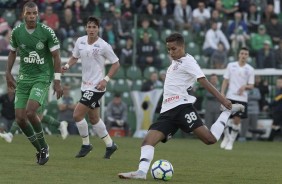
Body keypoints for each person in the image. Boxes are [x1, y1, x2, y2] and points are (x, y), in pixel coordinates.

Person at [117, 33, 244, 180]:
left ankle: (226, 112)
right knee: (147, 141)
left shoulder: (189, 62)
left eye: (174, 49)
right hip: (167, 112)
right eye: (168, 50)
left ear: (182, 47)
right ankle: (141, 172)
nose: (171, 52)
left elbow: (204, 81)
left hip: (182, 107)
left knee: (210, 139)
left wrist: (222, 100)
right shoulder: (175, 62)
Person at [5, 1, 63, 165]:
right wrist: (8, 73)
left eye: (34, 13)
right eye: (28, 13)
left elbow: (56, 56)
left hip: (42, 77)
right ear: (23, 14)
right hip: (24, 79)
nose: (31, 16)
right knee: (20, 118)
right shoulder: (17, 32)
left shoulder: (46, 32)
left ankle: (44, 147)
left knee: (31, 112)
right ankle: (40, 149)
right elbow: (12, 52)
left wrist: (57, 81)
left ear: (38, 14)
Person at [61, 16, 120, 159]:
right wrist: (68, 65)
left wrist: (105, 80)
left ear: (98, 29)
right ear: (86, 28)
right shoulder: (80, 41)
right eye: (89, 26)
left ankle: (86, 145)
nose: (92, 29)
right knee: (93, 118)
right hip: (85, 85)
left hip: (96, 87)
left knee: (77, 115)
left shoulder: (104, 45)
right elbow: (75, 56)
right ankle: (110, 145)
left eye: (94, 27)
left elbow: (116, 63)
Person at [220, 47, 255, 151]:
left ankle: (231, 141)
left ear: (248, 56)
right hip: (230, 96)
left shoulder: (250, 69)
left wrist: (245, 87)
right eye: (242, 53)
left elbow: (252, 85)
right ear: (239, 55)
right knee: (225, 119)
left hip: (242, 99)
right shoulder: (231, 66)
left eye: (246, 54)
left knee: (236, 121)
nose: (243, 55)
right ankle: (226, 137)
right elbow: (225, 80)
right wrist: (222, 93)